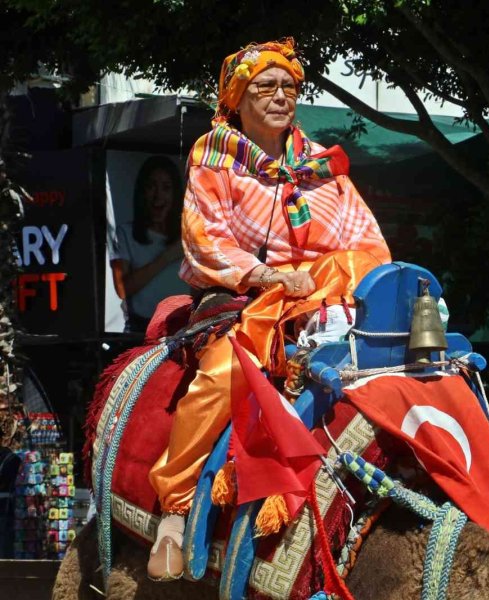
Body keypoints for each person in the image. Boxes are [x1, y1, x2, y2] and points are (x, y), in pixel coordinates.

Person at [146, 38, 390, 580]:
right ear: (238, 97)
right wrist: (269, 276)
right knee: (225, 373)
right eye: (266, 87)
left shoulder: (322, 165)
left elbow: (368, 242)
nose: (281, 96)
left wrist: (342, 282)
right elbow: (205, 241)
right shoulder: (213, 158)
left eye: (289, 87)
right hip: (242, 298)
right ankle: (174, 509)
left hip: (325, 304)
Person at [111, 155, 189, 333]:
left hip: (183, 328)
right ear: (142, 192)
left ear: (175, 194)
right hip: (141, 330)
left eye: (166, 187)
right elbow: (122, 289)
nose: (158, 195)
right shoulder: (125, 233)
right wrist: (167, 257)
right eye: (151, 186)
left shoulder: (188, 233)